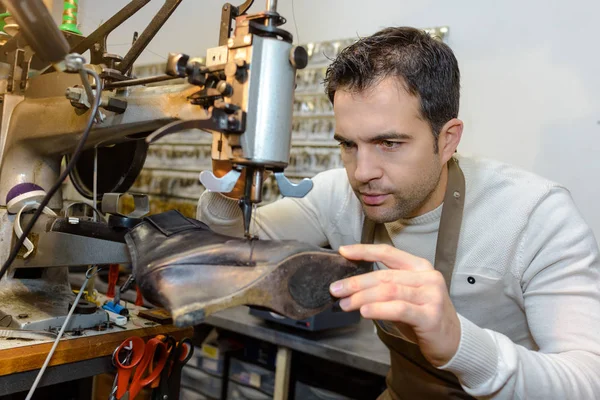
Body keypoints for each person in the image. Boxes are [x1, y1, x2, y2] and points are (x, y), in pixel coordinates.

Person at [197, 27, 600, 399]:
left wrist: (461, 344)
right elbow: (231, 248)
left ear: (447, 140)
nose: (362, 172)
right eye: (349, 145)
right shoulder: (337, 194)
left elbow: (588, 380)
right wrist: (226, 183)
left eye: (389, 143)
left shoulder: (534, 216)